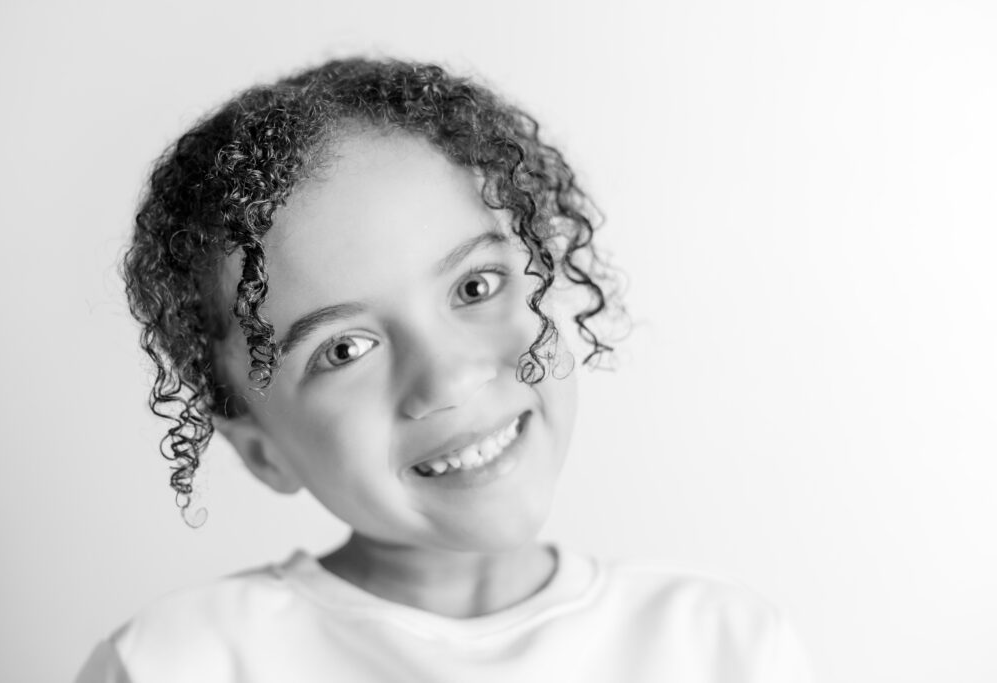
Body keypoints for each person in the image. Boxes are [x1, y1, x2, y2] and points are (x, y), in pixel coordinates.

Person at [75, 58, 813, 682]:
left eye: (474, 287)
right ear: (263, 449)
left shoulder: (726, 649)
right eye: (344, 349)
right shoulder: (174, 664)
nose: (449, 380)